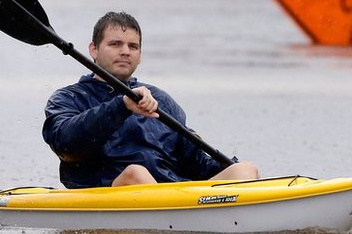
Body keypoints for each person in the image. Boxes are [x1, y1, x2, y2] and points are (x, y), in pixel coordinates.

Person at [42, 11, 259, 188]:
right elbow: (65, 144)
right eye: (115, 44)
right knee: (135, 173)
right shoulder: (68, 98)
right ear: (94, 50)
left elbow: (195, 161)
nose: (125, 52)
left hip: (171, 192)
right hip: (112, 190)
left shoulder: (161, 100)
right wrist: (121, 106)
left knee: (246, 169)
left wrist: (226, 169)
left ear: (140, 55)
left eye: (133, 46)